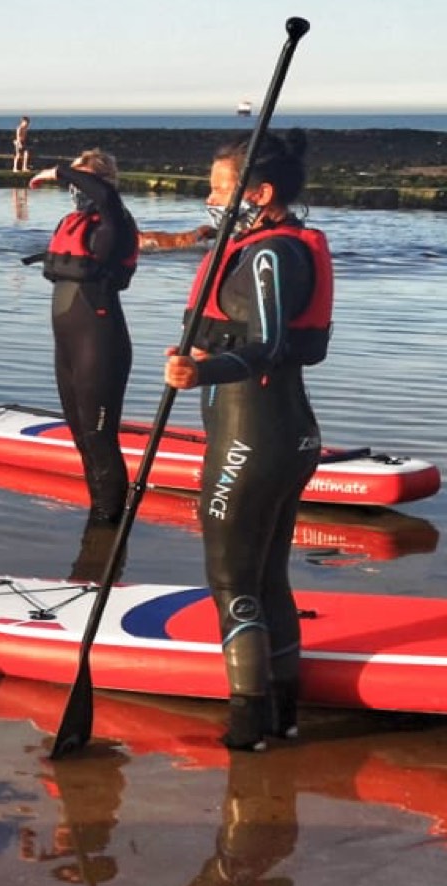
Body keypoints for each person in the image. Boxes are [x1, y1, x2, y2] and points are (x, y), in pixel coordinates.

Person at [164, 130, 331, 751]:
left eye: (219, 188)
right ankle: (282, 716)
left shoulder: (270, 255)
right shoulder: (262, 247)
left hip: (251, 436)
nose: (210, 197)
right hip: (283, 435)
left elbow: (272, 346)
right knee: (267, 580)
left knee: (234, 582)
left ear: (258, 194)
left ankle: (247, 727)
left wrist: (200, 371)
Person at [29, 149, 140, 525]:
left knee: (100, 440)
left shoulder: (116, 223)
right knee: (81, 440)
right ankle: (96, 527)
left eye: (80, 180)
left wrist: (58, 171)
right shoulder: (73, 221)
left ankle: (108, 533)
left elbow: (107, 199)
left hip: (101, 343)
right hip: (68, 347)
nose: (73, 188)